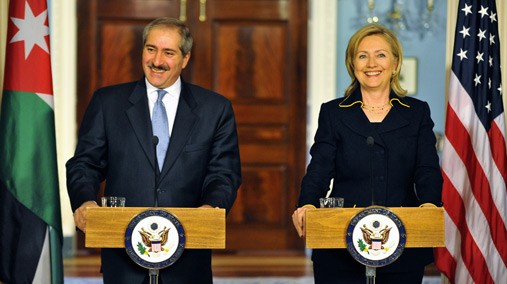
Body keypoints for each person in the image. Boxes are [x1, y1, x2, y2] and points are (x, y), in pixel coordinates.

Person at [66, 17, 242, 283]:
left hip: (188, 257)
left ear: (185, 59)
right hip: (123, 257)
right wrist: (84, 200)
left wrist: (211, 206)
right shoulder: (108, 102)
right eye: (151, 49)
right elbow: (85, 164)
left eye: (168, 53)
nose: (157, 61)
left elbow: (224, 173)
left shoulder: (214, 109)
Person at [291, 23, 443, 284]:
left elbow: (427, 168)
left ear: (395, 64)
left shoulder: (416, 112)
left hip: (403, 239)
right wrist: (306, 203)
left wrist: (429, 205)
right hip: (340, 243)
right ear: (353, 64)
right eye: (362, 55)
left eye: (381, 55)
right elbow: (320, 167)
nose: (371, 63)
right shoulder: (334, 112)